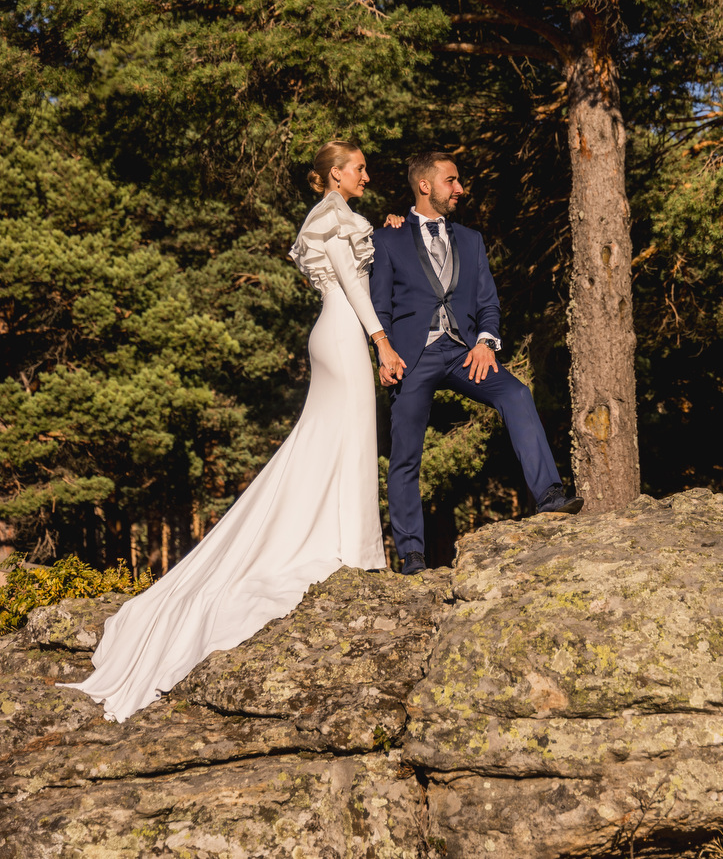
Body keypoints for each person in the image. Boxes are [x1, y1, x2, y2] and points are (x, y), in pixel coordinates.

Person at [60, 141, 407, 723]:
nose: (367, 176)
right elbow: (351, 280)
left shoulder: (327, 218)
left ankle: (350, 546)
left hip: (331, 330)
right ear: (333, 176)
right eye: (360, 169)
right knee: (346, 439)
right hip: (347, 333)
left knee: (329, 443)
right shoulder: (337, 216)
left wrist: (388, 230)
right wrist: (382, 342)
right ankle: (354, 551)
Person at [370, 151, 582, 575]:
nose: (461, 188)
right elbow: (379, 306)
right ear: (425, 185)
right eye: (452, 180)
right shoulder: (387, 238)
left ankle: (550, 496)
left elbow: (488, 303)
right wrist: (385, 351)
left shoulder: (471, 240)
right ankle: (411, 554)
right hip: (413, 359)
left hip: (465, 352)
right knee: (406, 452)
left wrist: (486, 343)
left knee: (517, 393)